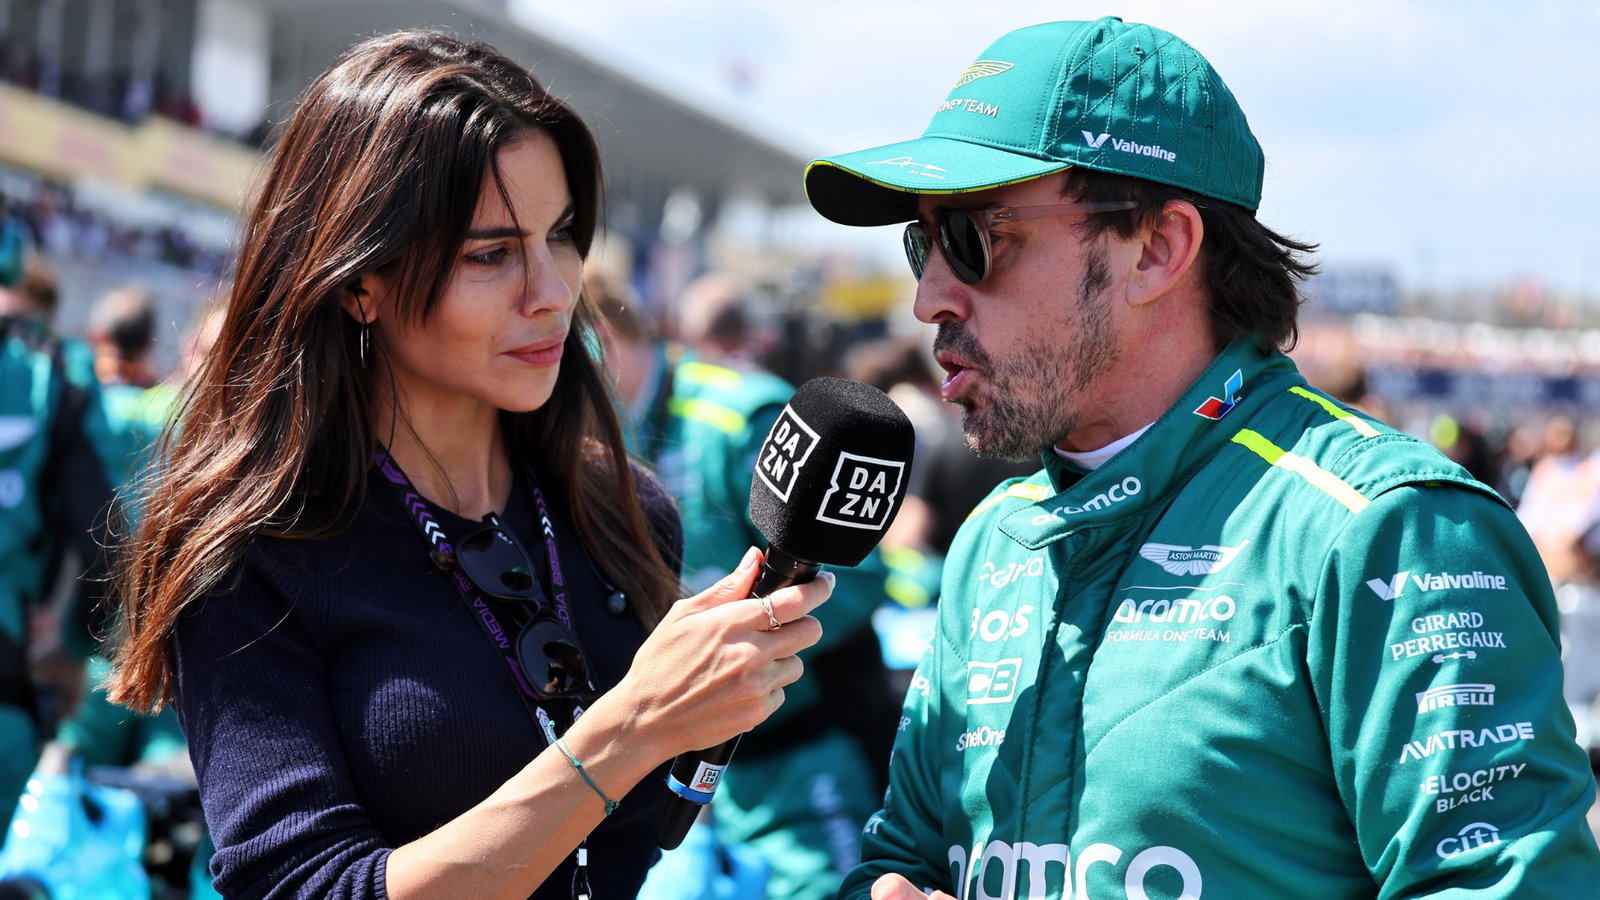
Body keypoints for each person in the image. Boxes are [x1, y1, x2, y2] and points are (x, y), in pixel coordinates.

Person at [802, 17, 1600, 898]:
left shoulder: (1387, 531)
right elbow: (904, 857)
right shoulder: (998, 540)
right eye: (922, 244)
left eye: (973, 238)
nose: (928, 298)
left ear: (1157, 249)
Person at [104, 30, 831, 900]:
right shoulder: (253, 553)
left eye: (561, 236)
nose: (552, 292)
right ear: (359, 281)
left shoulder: (622, 511)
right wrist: (632, 726)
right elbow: (307, 886)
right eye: (491, 254)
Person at [594, 272, 899, 900]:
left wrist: (744, 651)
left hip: (803, 744)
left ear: (600, 336)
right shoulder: (597, 432)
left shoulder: (742, 415)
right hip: (693, 757)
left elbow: (856, 575)